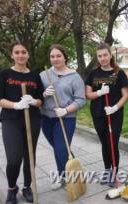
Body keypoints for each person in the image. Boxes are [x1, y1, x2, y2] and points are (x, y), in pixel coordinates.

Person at [0, 42, 44, 204]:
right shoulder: (4, 74)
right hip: (11, 120)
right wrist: (16, 105)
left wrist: (33, 101)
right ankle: (12, 188)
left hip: (33, 120)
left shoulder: (35, 76)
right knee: (14, 158)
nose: (21, 55)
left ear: (28, 55)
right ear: (12, 55)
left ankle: (27, 188)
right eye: (17, 52)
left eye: (24, 52)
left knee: (30, 156)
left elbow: (41, 101)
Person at [40, 44, 86, 190]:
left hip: (66, 118)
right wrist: (43, 93)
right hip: (46, 117)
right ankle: (72, 172)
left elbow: (81, 100)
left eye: (58, 56)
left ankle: (66, 177)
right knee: (59, 148)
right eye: (52, 56)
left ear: (65, 57)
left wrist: (66, 110)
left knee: (60, 148)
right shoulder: (43, 75)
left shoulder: (75, 77)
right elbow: (35, 96)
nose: (55, 59)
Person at [85, 42, 128, 187]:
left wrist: (115, 108)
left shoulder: (119, 73)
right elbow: (88, 94)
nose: (103, 58)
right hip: (98, 113)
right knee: (105, 143)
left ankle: (115, 173)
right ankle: (107, 170)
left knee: (113, 143)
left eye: (105, 55)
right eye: (100, 56)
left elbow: (125, 95)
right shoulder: (93, 73)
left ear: (110, 55)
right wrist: (99, 92)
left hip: (114, 114)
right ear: (97, 57)